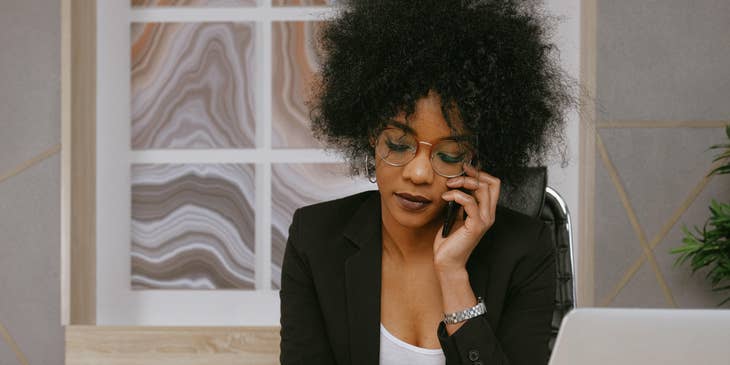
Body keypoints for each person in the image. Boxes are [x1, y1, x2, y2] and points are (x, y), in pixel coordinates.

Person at [279, 1, 572, 364]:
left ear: (477, 159)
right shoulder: (316, 239)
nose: (418, 174)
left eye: (449, 155)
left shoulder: (524, 251)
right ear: (372, 136)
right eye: (398, 145)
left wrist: (452, 275)